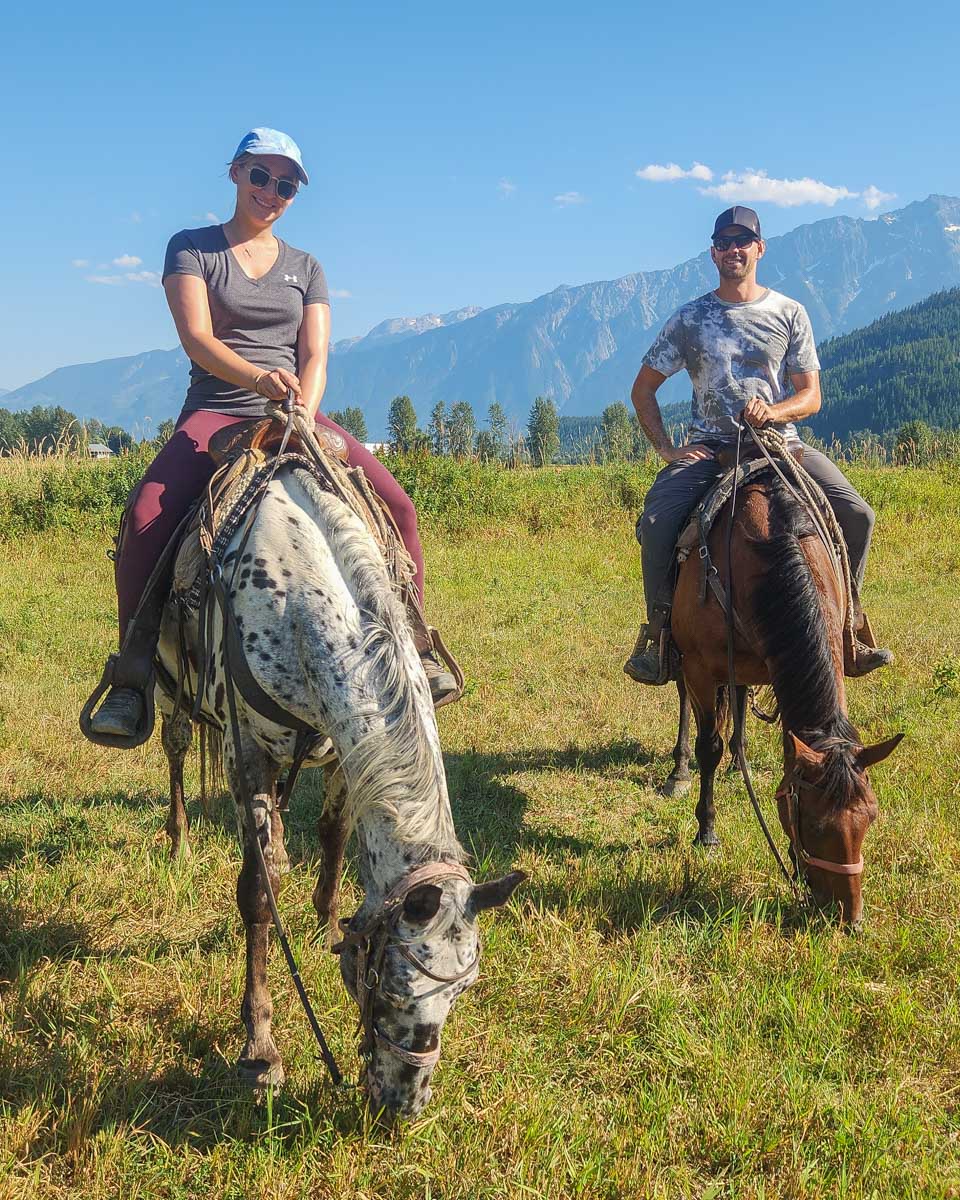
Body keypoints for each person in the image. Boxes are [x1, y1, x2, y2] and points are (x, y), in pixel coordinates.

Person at [89, 128, 459, 744]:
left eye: (286, 185)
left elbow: (315, 354)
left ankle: (413, 645)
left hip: (296, 414)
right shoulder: (192, 249)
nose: (272, 192)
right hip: (217, 411)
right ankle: (132, 675)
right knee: (148, 513)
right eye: (261, 176)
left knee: (399, 506)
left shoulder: (306, 267)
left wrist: (300, 415)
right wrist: (261, 381)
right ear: (235, 173)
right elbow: (198, 341)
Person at [624, 204, 893, 685]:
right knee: (659, 520)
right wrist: (667, 450)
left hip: (781, 446)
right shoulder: (690, 318)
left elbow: (810, 395)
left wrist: (775, 411)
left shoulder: (789, 313)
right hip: (712, 448)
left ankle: (849, 625)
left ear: (760, 249)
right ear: (712, 254)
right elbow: (643, 389)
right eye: (724, 243)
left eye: (742, 242)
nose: (733, 250)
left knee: (857, 515)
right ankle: (661, 635)